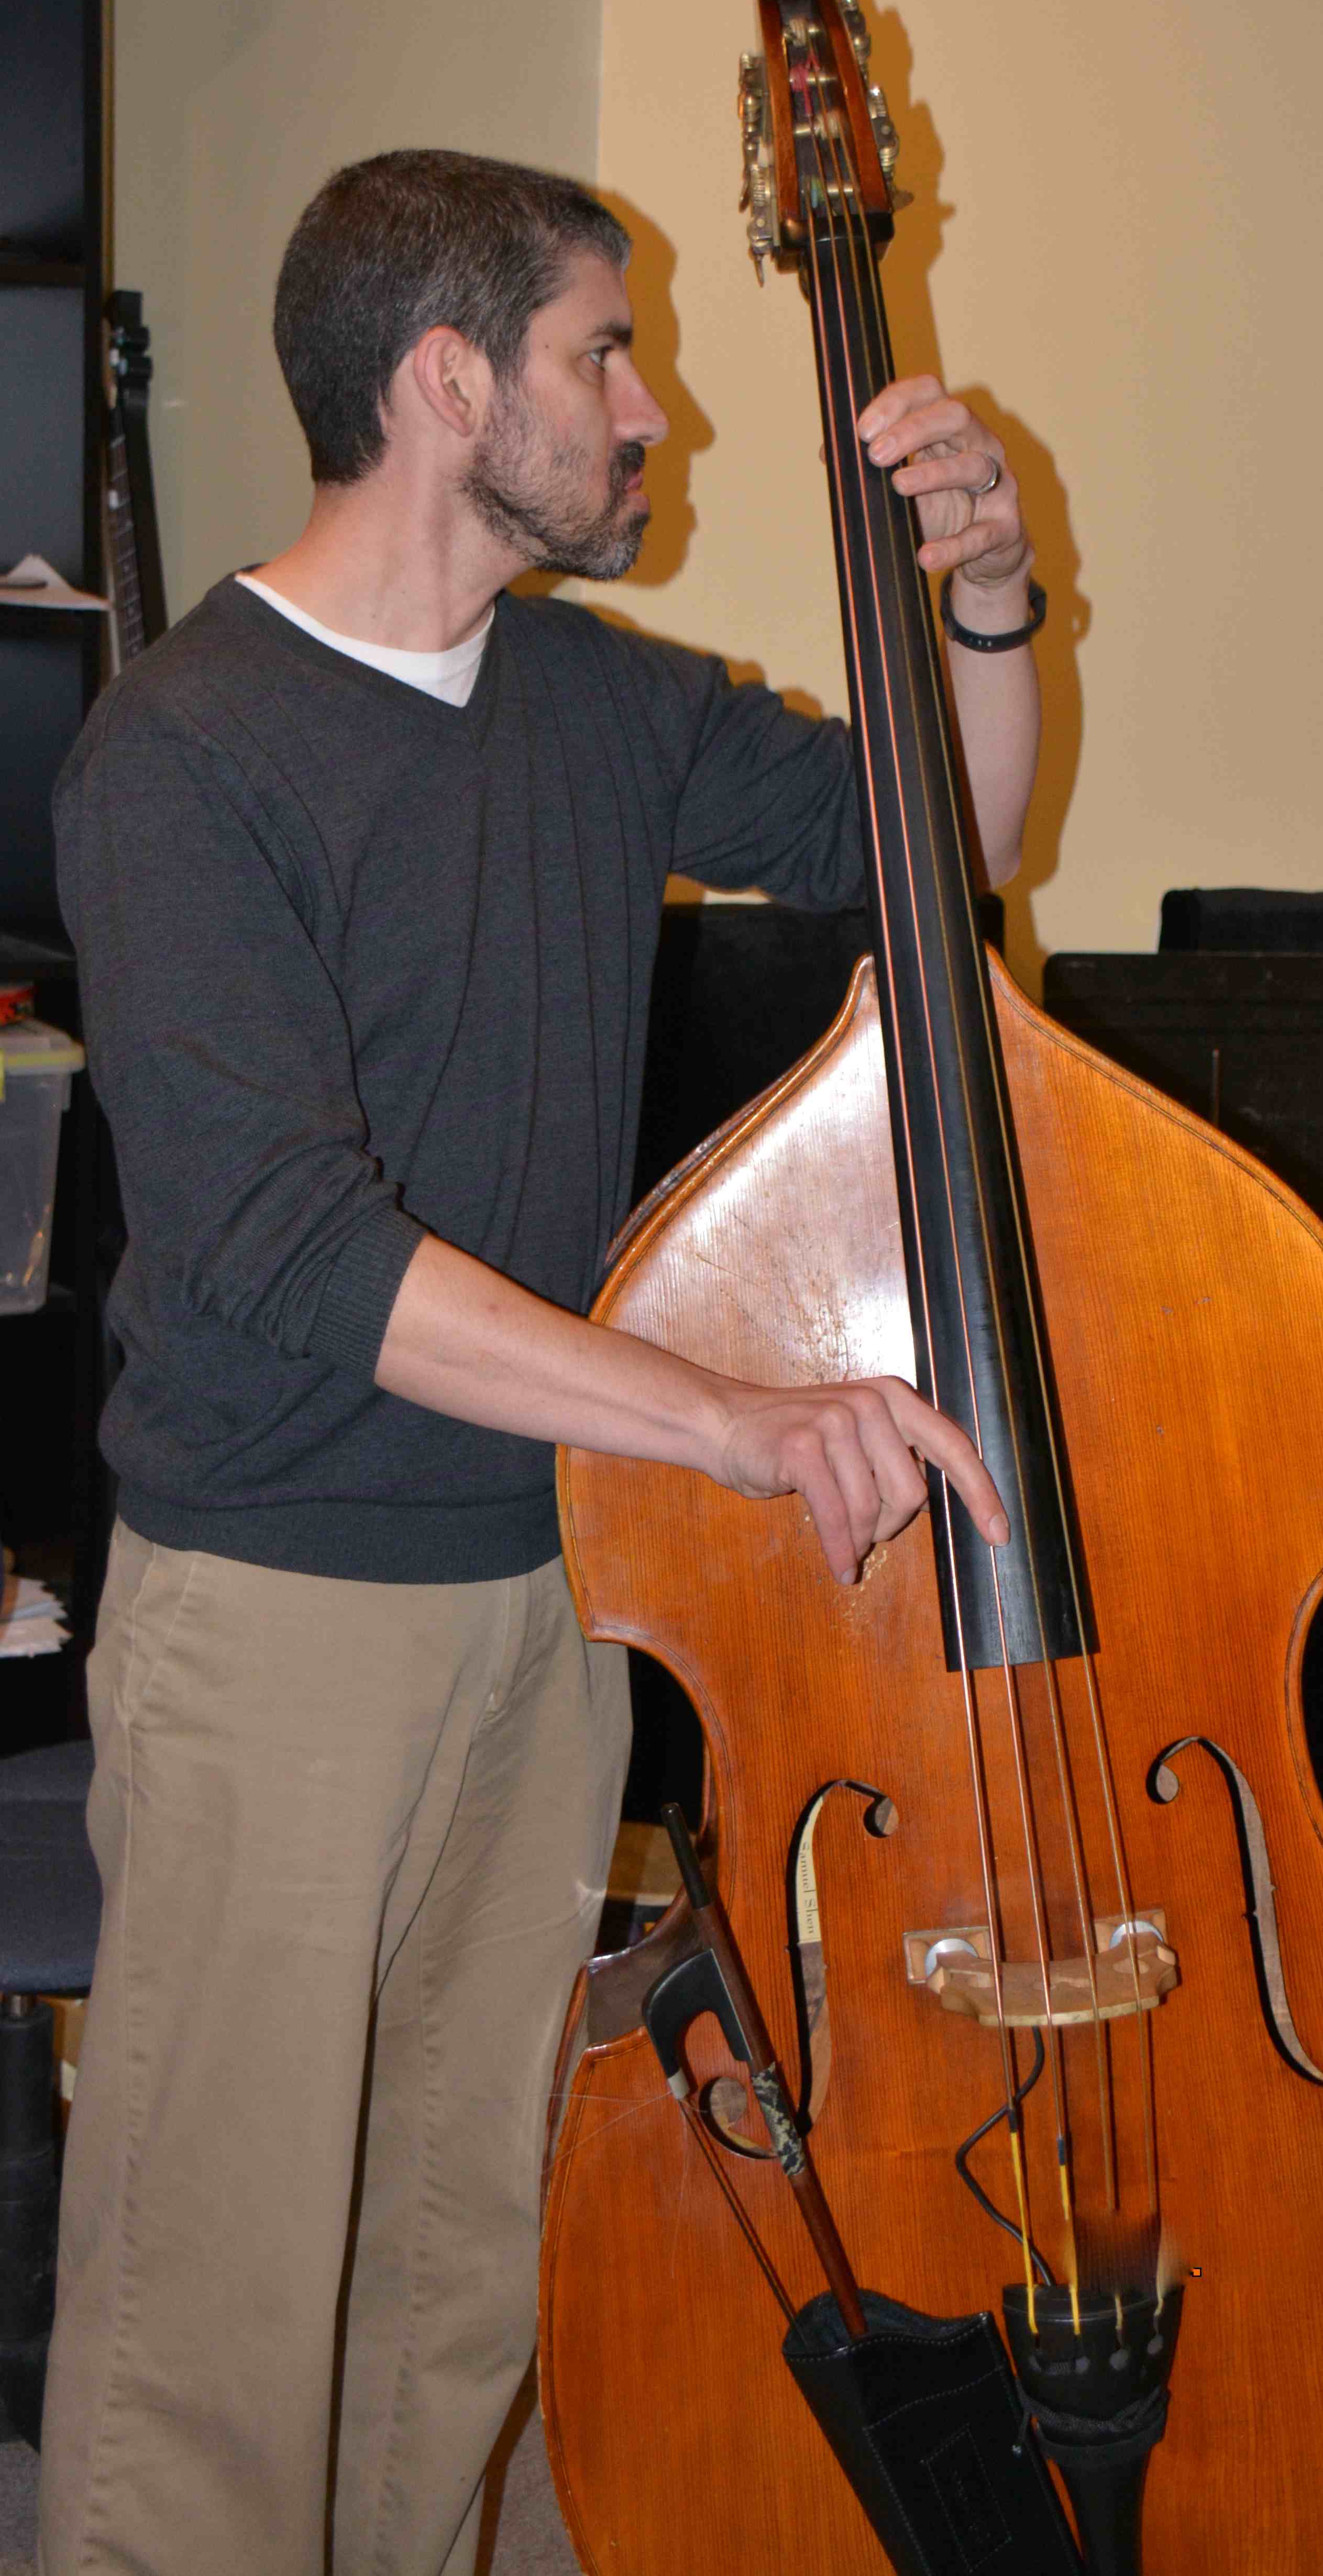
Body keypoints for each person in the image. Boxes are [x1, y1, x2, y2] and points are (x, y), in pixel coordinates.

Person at [38, 148, 1043, 2576]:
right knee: (219, 2296)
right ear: (445, 379)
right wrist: (725, 1412)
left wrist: (991, 594)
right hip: (274, 1602)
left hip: (544, 1590)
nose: (656, 408)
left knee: (460, 2256)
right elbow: (288, 1237)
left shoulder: (600, 700)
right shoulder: (180, 753)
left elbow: (945, 848)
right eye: (609, 349)